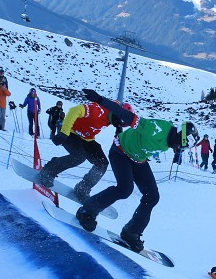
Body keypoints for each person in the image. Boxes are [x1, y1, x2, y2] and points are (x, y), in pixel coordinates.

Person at [74, 89, 195, 253]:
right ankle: (87, 211)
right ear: (180, 139)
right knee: (124, 190)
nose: (179, 149)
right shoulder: (155, 129)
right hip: (120, 152)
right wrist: (100, 100)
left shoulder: (170, 139)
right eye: (181, 146)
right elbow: (124, 114)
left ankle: (131, 232)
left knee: (152, 196)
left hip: (138, 159)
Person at [37, 97, 123, 196]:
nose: (119, 124)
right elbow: (74, 110)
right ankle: (48, 171)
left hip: (87, 139)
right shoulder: (97, 109)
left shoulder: (113, 118)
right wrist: (64, 133)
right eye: (120, 122)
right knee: (78, 157)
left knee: (102, 163)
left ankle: (83, 188)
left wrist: (119, 129)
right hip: (71, 132)